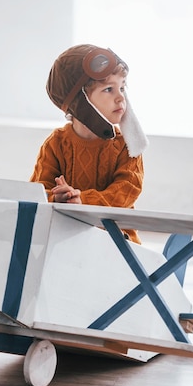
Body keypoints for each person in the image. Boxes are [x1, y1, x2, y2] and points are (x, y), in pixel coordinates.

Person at [30, 44, 149, 244]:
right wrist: (59, 198)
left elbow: (126, 191)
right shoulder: (56, 143)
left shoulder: (126, 145)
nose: (121, 98)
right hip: (66, 240)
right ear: (81, 101)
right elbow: (37, 192)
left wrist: (82, 201)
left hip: (118, 242)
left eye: (122, 87)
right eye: (109, 89)